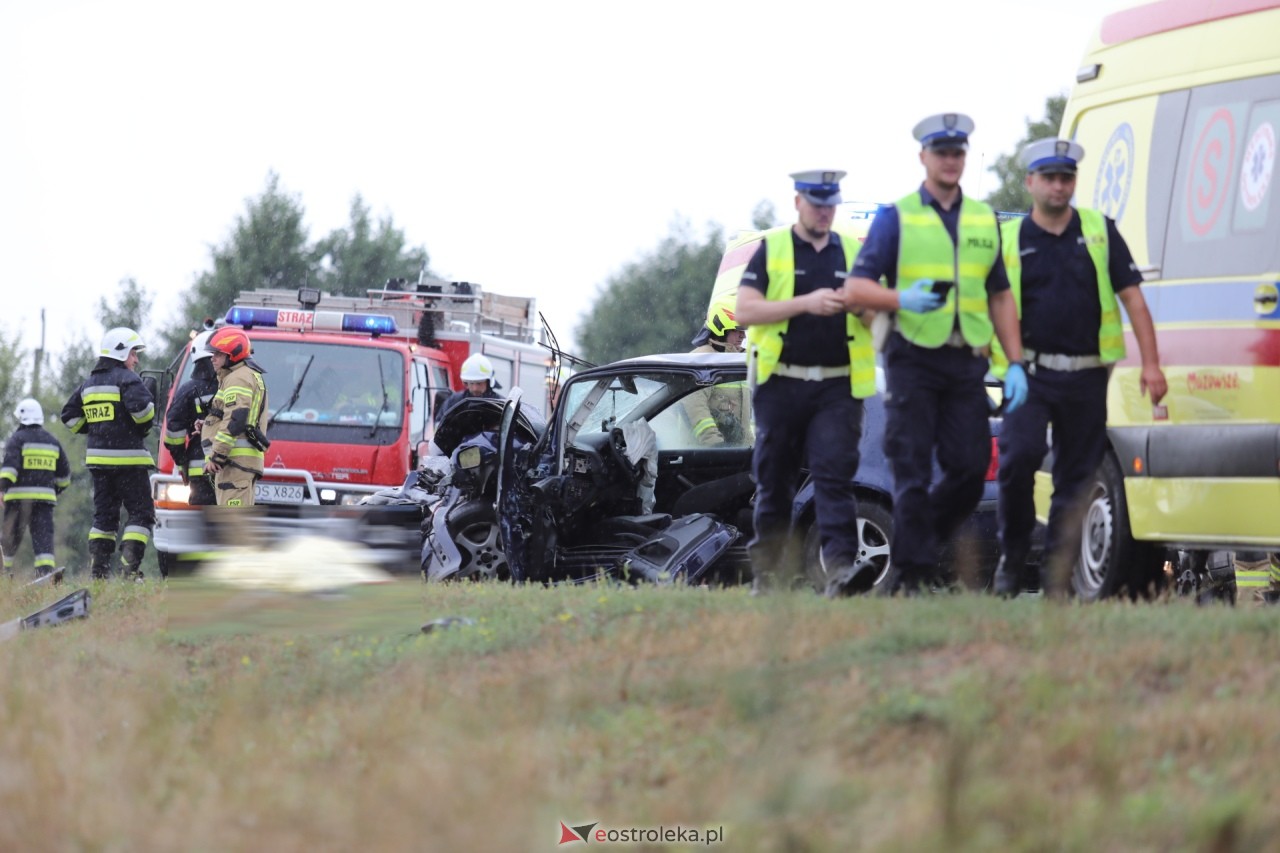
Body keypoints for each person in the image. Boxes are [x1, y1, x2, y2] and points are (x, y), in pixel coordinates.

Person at [843, 113, 1027, 595]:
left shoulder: (984, 218)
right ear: (923, 157)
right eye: (942, 152)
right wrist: (902, 298)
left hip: (966, 361)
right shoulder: (898, 216)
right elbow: (858, 287)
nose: (951, 161)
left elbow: (1001, 295)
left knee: (969, 471)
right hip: (913, 359)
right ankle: (915, 572)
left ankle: (910, 553)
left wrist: (1017, 362)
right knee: (912, 468)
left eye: (958, 153)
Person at [991, 138, 1167, 597]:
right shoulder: (1009, 238)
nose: (1058, 186)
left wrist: (1151, 365)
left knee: (1076, 478)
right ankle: (1011, 555)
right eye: (1048, 177)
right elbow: (990, 303)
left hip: (1088, 376)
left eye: (1066, 177)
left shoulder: (1100, 230)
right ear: (1030, 183)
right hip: (1027, 374)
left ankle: (1055, 575)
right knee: (1016, 461)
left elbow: (1133, 299)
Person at [735, 169, 878, 596]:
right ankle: (767, 574)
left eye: (831, 204)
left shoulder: (854, 254)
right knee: (775, 480)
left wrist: (860, 306)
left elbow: (878, 319)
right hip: (781, 383)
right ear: (798, 201)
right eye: (817, 204)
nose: (824, 213)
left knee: (834, 477)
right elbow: (745, 311)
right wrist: (806, 304)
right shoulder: (772, 249)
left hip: (837, 386)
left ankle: (840, 571)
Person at [61, 327, 157, 580]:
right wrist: (147, 406)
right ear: (122, 351)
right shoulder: (127, 379)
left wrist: (96, 430)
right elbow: (145, 414)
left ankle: (99, 572)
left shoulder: (88, 384)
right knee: (141, 514)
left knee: (104, 518)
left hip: (99, 465)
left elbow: (69, 417)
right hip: (130, 463)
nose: (136, 359)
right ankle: (129, 570)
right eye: (134, 353)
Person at [0, 399, 71, 577]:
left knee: (9, 540)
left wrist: (1, 489)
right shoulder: (52, 442)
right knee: (44, 541)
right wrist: (53, 491)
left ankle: (3, 575)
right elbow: (64, 477)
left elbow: (9, 471)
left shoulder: (17, 440)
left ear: (22, 418)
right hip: (44, 502)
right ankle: (46, 575)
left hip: (17, 501)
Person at [201, 328, 270, 507]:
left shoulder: (238, 378)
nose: (212, 358)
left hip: (234, 464)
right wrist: (207, 425)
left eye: (217, 353)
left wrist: (217, 455)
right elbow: (235, 417)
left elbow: (236, 420)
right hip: (238, 465)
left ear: (233, 355)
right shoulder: (243, 375)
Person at [162, 329, 219, 507]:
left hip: (199, 470)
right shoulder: (232, 386)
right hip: (231, 471)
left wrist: (181, 462)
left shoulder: (186, 391)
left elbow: (173, 433)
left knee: (203, 524)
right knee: (230, 525)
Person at [683, 302, 752, 447]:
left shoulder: (740, 360)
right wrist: (715, 444)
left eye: (744, 330)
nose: (743, 335)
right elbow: (695, 407)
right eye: (737, 330)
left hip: (740, 455)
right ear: (721, 329)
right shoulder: (702, 360)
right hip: (710, 457)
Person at [434, 353, 502, 426]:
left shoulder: (500, 405)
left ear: (488, 382)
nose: (475, 388)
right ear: (465, 383)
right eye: (471, 383)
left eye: (479, 383)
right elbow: (439, 427)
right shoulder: (455, 402)